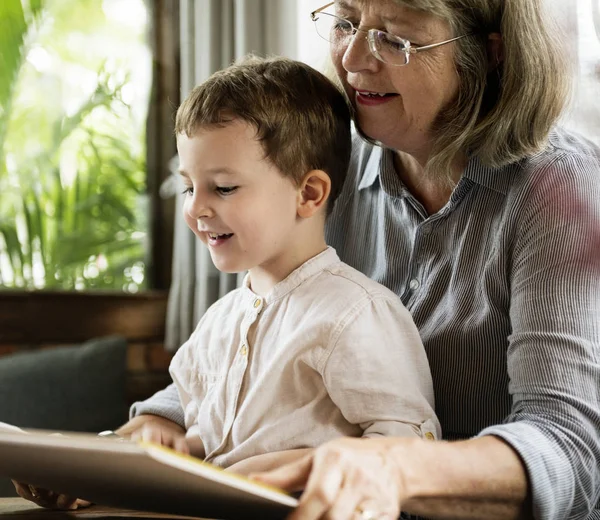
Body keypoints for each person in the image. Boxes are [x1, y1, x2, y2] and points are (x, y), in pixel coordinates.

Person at [118, 1, 600, 519]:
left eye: (394, 38)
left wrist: (392, 468)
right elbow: (257, 345)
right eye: (346, 22)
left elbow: (570, 450)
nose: (351, 59)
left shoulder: (560, 192)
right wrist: (154, 427)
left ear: (489, 53)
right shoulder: (319, 170)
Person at [13, 55, 440, 508]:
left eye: (223, 188)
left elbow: (411, 446)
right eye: (188, 187)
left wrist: (304, 465)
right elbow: (201, 435)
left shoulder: (355, 314)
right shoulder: (220, 322)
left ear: (309, 194)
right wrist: (101, 466)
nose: (196, 209)